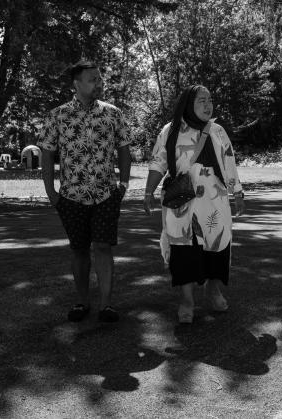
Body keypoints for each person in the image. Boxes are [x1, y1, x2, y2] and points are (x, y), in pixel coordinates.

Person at [39, 60, 132, 323]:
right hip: (71, 196)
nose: (99, 84)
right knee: (79, 249)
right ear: (77, 84)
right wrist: (51, 192)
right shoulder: (57, 115)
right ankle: (82, 302)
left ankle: (105, 305)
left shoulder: (113, 113)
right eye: (93, 80)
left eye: (100, 79)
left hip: (106, 195)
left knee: (103, 246)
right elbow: (47, 154)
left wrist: (123, 185)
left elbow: (124, 149)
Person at [142, 85, 245, 324]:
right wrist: (148, 192)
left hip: (214, 199)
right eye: (201, 100)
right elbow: (158, 163)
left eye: (210, 100)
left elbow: (229, 163)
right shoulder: (171, 130)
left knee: (218, 245)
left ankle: (213, 290)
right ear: (188, 103)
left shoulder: (218, 131)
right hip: (181, 201)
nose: (208, 105)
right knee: (183, 249)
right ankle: (187, 300)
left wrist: (238, 193)